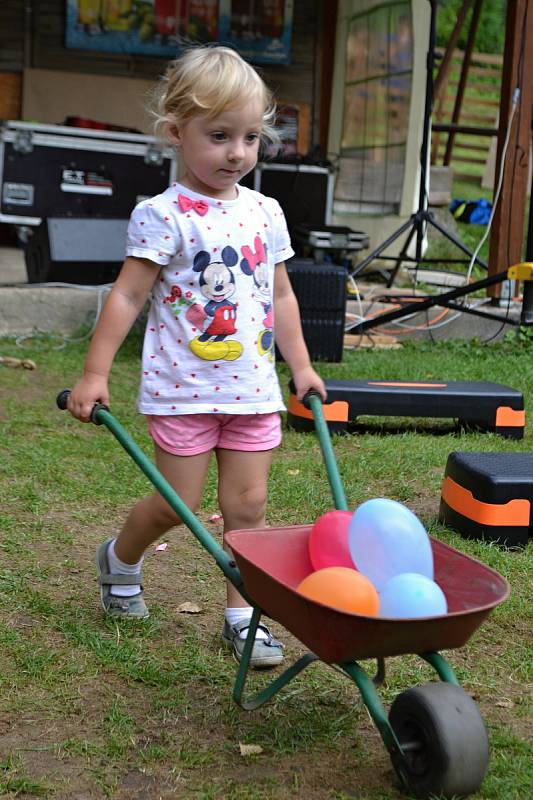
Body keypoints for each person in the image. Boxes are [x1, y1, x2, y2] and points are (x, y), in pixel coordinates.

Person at [67, 45, 326, 670]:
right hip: (182, 389)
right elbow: (129, 294)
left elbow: (282, 296)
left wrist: (302, 366)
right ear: (175, 130)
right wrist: (95, 372)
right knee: (174, 506)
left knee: (248, 508)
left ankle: (244, 617)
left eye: (249, 138)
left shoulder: (266, 213)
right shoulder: (162, 216)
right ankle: (121, 559)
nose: (236, 153)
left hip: (253, 390)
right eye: (218, 136)